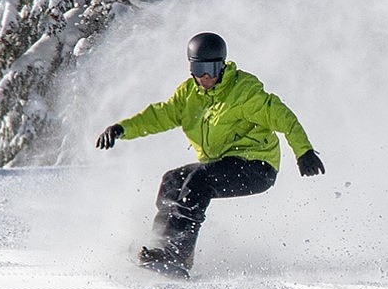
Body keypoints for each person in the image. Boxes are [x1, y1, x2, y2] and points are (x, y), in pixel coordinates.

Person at [96, 32, 324, 276]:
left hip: (257, 166)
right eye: (199, 68)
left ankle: (177, 255)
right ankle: (159, 247)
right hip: (222, 163)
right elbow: (161, 115)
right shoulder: (189, 94)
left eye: (212, 69)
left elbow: (283, 117)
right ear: (191, 67)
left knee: (199, 181)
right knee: (173, 180)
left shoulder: (244, 92)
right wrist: (122, 129)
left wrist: (304, 151)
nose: (205, 77)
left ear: (222, 66)